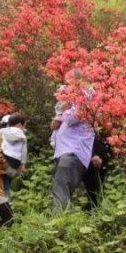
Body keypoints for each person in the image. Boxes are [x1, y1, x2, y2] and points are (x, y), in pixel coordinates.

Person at [51, 76, 95, 211]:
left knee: (61, 192)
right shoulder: (72, 105)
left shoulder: (84, 99)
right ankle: (64, 224)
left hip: (72, 154)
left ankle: (60, 225)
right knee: (62, 190)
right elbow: (55, 134)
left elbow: (72, 118)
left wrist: (65, 108)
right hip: (67, 155)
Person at [83, 130, 113, 210]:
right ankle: (92, 208)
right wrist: (93, 155)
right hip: (89, 156)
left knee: (100, 185)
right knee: (91, 187)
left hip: (105, 154)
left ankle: (96, 208)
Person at [0, 113, 28, 195]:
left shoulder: (3, 131)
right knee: (7, 181)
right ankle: (12, 173)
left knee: (4, 183)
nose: (25, 127)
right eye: (24, 125)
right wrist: (23, 164)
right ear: (19, 125)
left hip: (5, 157)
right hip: (15, 161)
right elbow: (24, 151)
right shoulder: (22, 136)